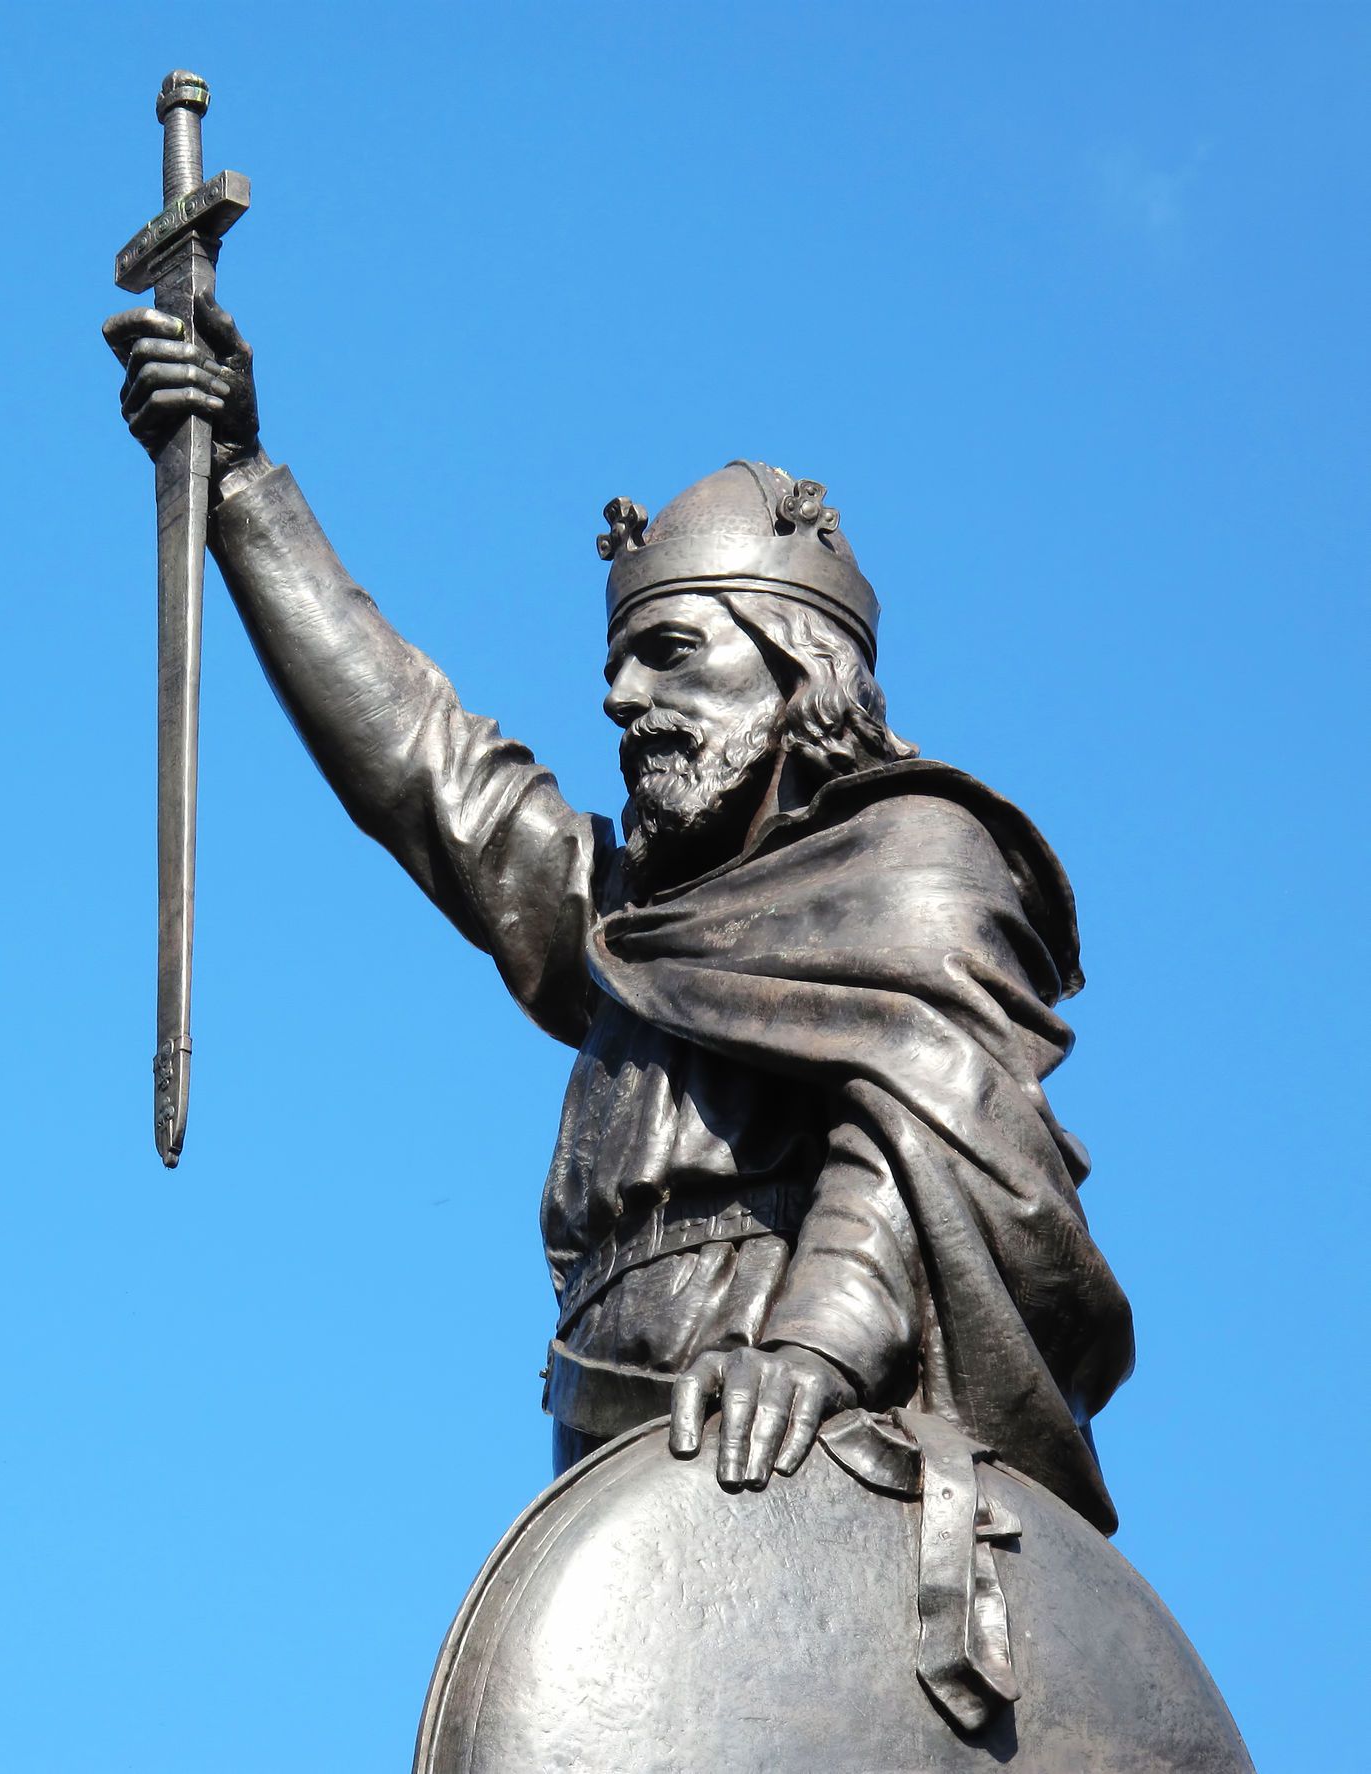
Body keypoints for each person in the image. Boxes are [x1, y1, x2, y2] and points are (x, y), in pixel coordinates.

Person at [103, 298, 1135, 1530]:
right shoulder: (630, 917)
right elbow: (426, 772)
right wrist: (239, 484)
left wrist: (812, 1348)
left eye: (668, 653)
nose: (617, 695)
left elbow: (918, 1136)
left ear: (798, 666)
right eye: (616, 662)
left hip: (795, 1429)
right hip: (604, 1436)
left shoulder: (914, 864)